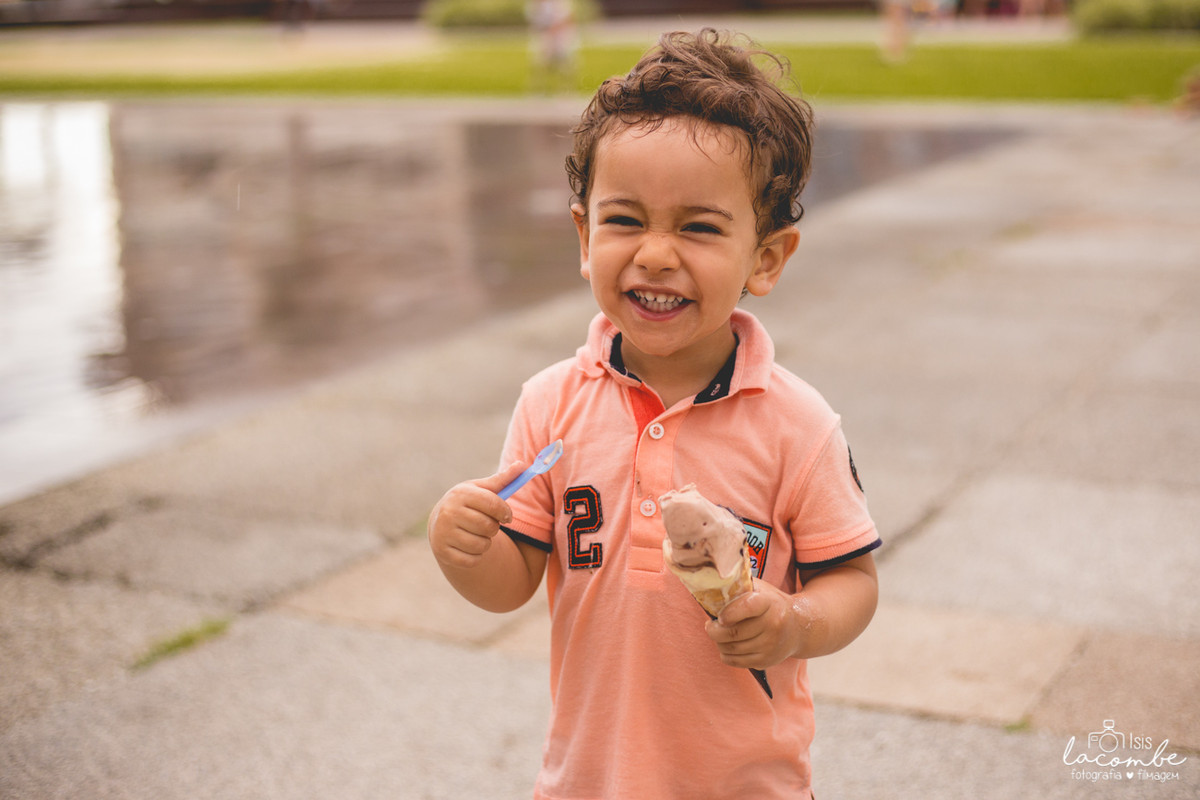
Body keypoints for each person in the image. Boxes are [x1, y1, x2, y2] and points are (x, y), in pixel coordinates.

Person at [427, 29, 881, 800]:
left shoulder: (797, 425)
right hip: (588, 779)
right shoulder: (551, 404)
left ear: (766, 259)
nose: (656, 254)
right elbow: (515, 581)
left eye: (699, 227)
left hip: (746, 784)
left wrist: (795, 623)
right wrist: (463, 551)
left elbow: (853, 580)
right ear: (583, 234)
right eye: (626, 220)